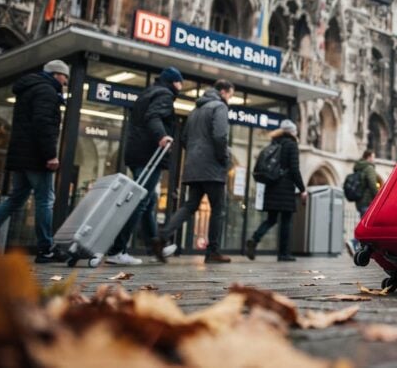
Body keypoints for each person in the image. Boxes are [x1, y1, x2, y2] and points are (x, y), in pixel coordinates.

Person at [0, 60, 69, 263]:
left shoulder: (28, 90)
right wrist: (50, 154)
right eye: (65, 77)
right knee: (45, 200)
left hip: (22, 156)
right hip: (36, 157)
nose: (66, 82)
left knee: (15, 199)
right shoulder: (46, 91)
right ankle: (46, 248)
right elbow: (43, 124)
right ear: (56, 74)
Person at [105, 67, 183, 265]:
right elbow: (153, 117)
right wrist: (162, 136)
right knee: (139, 201)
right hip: (149, 154)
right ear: (174, 82)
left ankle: (154, 246)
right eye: (180, 82)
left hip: (137, 153)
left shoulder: (148, 93)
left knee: (148, 200)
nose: (181, 86)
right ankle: (117, 250)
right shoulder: (164, 95)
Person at [152, 80, 235, 264]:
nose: (230, 98)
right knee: (218, 210)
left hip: (193, 166)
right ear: (223, 91)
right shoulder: (219, 107)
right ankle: (213, 251)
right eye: (230, 94)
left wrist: (194, 156)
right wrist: (223, 159)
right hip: (212, 167)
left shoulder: (195, 111)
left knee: (190, 205)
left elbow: (184, 138)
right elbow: (220, 135)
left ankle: (162, 236)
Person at [245, 119, 307, 262]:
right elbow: (294, 169)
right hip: (285, 188)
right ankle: (283, 254)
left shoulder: (274, 142)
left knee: (271, 219)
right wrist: (302, 189)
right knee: (286, 221)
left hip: (272, 185)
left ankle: (254, 239)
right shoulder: (291, 145)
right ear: (291, 132)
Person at [346, 149, 379, 255]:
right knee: (367, 226)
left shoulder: (359, 167)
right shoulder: (369, 168)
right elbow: (373, 185)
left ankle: (363, 248)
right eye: (373, 157)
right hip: (367, 201)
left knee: (365, 224)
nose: (374, 159)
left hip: (360, 202)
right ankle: (354, 242)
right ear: (369, 157)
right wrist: (378, 198)